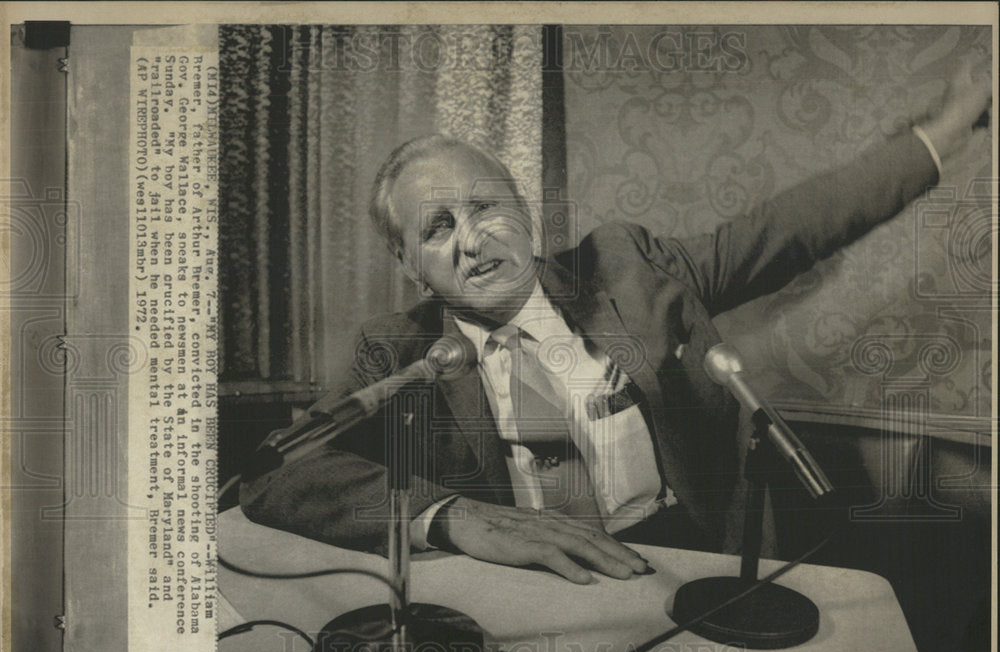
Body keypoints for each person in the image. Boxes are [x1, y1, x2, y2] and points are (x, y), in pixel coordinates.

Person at [240, 57, 990, 585]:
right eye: (436, 228)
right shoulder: (395, 349)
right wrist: (453, 516)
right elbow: (280, 474)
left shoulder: (629, 269)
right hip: (528, 587)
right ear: (410, 266)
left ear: (524, 215)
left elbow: (789, 227)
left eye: (486, 208)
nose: (472, 239)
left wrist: (944, 132)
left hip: (693, 565)